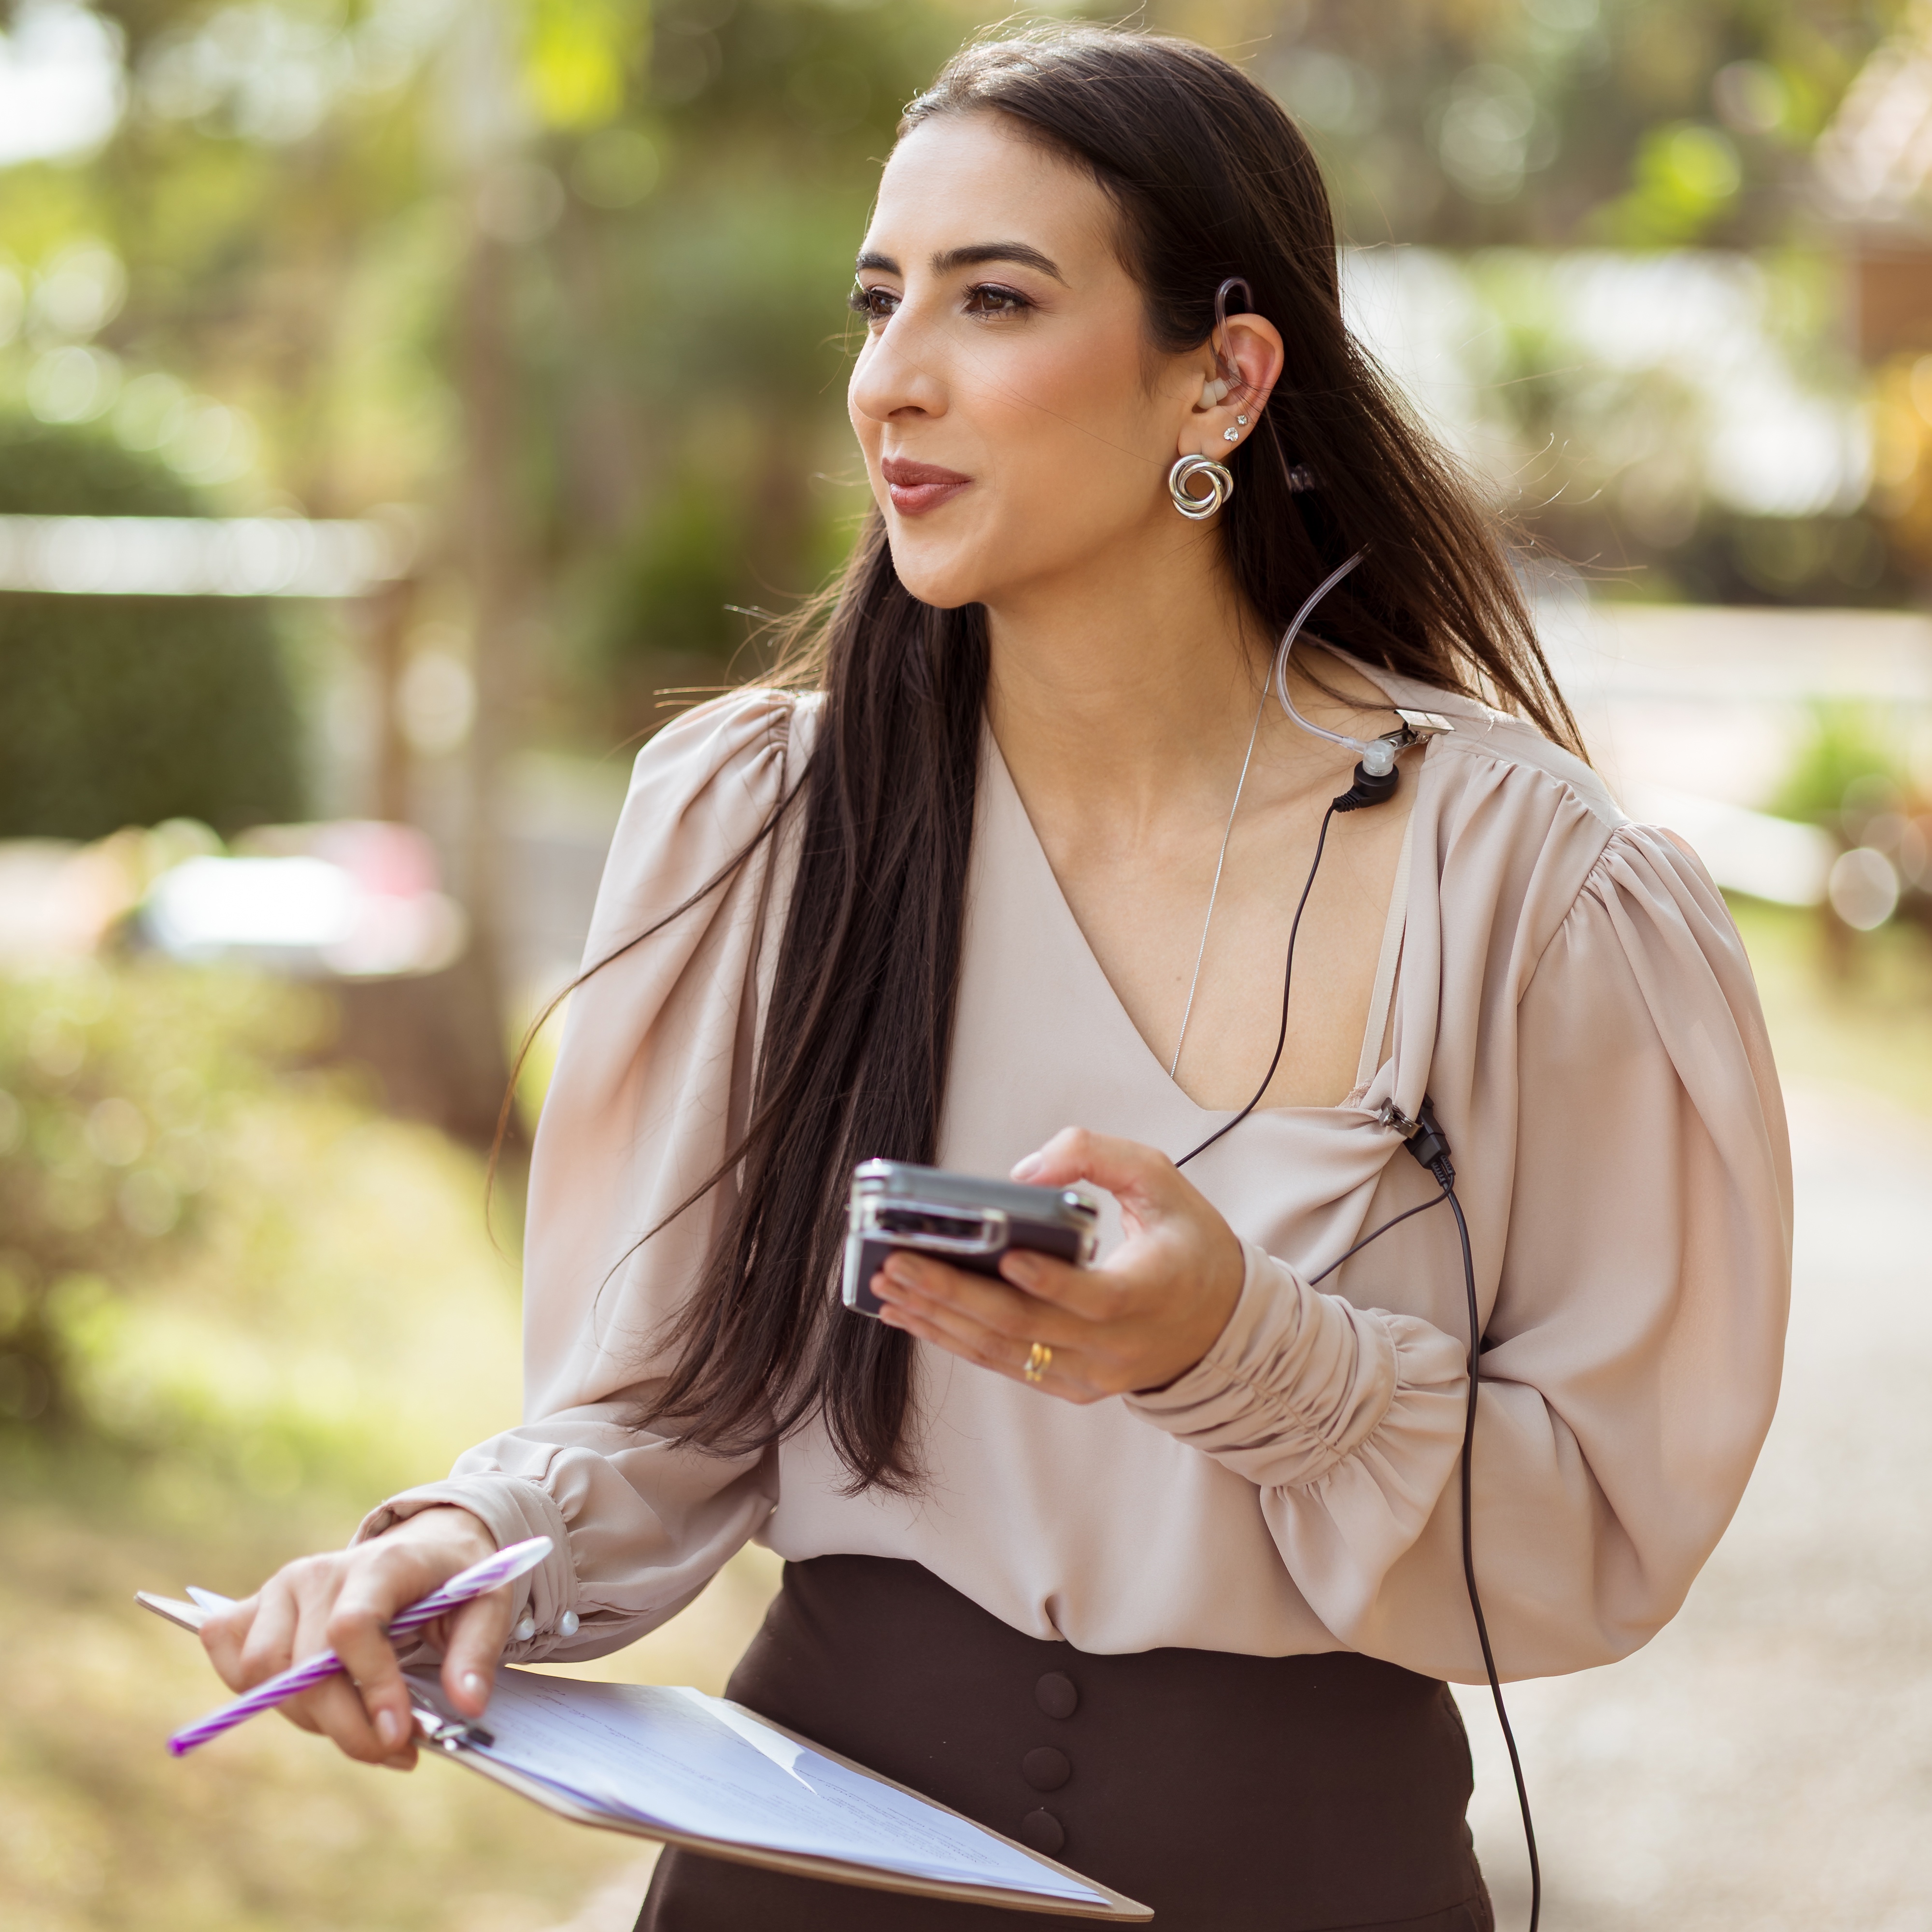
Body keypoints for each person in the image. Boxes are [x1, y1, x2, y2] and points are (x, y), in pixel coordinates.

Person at [201, 26, 1791, 1932]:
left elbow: (1597, 1527)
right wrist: (465, 1544)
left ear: (1222, 375)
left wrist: (1244, 1354)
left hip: (1310, 1882)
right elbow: (666, 1407)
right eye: (880, 306)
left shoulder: (1526, 885)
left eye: (994, 299)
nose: (894, 380)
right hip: (799, 1876)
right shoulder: (760, 824)